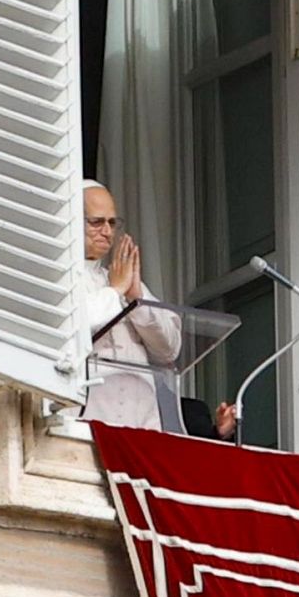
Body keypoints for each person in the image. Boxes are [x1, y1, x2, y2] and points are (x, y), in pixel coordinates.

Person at [79, 180, 237, 439]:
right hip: (87, 422)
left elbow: (169, 349)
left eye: (112, 223)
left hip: (142, 423)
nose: (107, 232)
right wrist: (114, 292)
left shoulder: (122, 279)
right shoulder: (61, 279)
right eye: (97, 222)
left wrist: (135, 298)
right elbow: (79, 325)